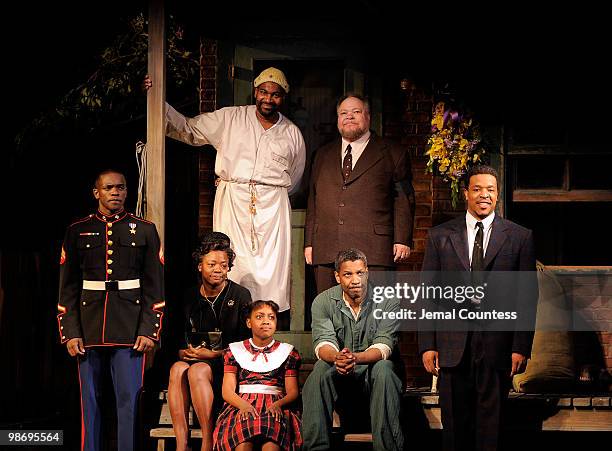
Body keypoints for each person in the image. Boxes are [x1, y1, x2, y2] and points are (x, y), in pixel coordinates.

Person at [144, 67, 306, 315]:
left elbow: (294, 176)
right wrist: (155, 99)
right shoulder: (231, 118)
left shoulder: (292, 133)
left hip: (273, 207)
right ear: (255, 92)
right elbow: (189, 129)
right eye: (263, 92)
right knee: (232, 261)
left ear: (283, 97)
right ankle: (232, 322)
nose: (268, 99)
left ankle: (264, 328)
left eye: (275, 94)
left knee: (271, 269)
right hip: (234, 200)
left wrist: (268, 191)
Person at [418, 165, 538, 451]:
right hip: (451, 346)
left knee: (491, 429)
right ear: (466, 193)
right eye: (477, 189)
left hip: (498, 346)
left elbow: (527, 296)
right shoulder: (440, 236)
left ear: (497, 195)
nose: (484, 195)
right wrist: (427, 344)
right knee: (455, 430)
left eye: (491, 190)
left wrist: (520, 346)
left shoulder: (519, 237)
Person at [57, 169, 164, 451]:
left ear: (127, 191)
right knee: (89, 401)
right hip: (88, 326)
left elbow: (155, 287)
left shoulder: (145, 229)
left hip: (130, 327)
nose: (115, 192)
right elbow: (67, 288)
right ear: (97, 193)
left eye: (121, 187)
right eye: (109, 188)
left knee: (129, 401)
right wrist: (69, 332)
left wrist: (149, 330)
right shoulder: (77, 230)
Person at [304, 93, 415, 294]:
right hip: (327, 249)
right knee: (329, 314)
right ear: (338, 118)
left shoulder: (392, 152)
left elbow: (403, 199)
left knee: (373, 315)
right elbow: (314, 201)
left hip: (374, 250)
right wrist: (310, 243)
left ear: (368, 116)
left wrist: (402, 239)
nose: (349, 117)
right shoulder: (322, 154)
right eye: (343, 113)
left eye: (356, 112)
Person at [301, 248, 404, 451]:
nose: (355, 280)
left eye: (360, 273)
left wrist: (354, 358)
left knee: (383, 367)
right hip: (340, 378)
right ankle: (315, 448)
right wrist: (338, 357)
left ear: (367, 272)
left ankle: (387, 448)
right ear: (337, 276)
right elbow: (323, 343)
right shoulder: (322, 301)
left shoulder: (389, 300)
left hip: (374, 379)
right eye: (348, 274)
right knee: (320, 370)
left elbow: (384, 345)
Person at [168, 232, 253, 451]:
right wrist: (182, 352)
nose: (218, 270)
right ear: (199, 266)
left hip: (226, 366)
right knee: (178, 368)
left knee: (197, 370)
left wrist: (215, 354)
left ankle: (208, 441)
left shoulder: (241, 295)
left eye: (223, 265)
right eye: (212, 264)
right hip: (196, 360)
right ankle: (182, 444)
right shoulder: (188, 296)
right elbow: (175, 336)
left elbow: (246, 345)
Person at [213, 300, 302, 451]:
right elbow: (227, 390)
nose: (266, 321)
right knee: (242, 443)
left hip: (274, 405)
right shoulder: (234, 351)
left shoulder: (288, 352)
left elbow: (293, 391)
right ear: (249, 322)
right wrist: (243, 405)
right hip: (241, 404)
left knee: (271, 445)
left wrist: (278, 405)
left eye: (271, 317)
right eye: (260, 317)